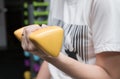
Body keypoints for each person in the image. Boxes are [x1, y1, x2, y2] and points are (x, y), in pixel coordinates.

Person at [21, 0, 120, 79]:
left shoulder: (106, 3)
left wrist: (50, 56)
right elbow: (57, 53)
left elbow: (110, 75)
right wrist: (47, 53)